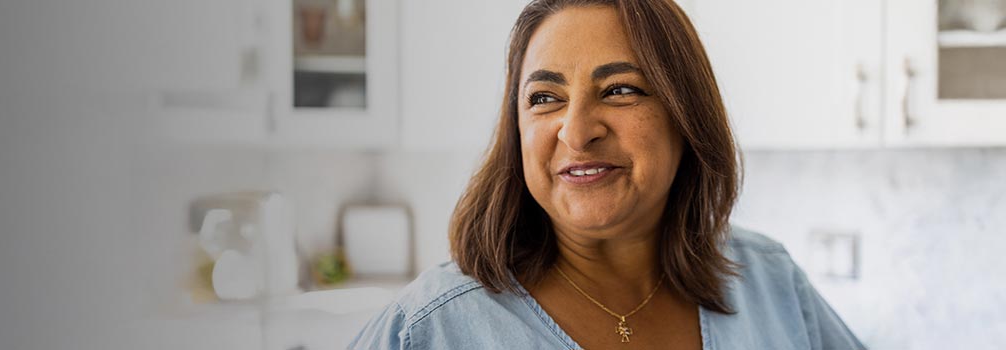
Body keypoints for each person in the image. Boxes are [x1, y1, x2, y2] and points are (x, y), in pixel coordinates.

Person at [347, 0, 863, 348]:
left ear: (686, 115)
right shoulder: (431, 326)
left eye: (620, 89)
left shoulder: (770, 283)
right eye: (545, 98)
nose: (576, 132)